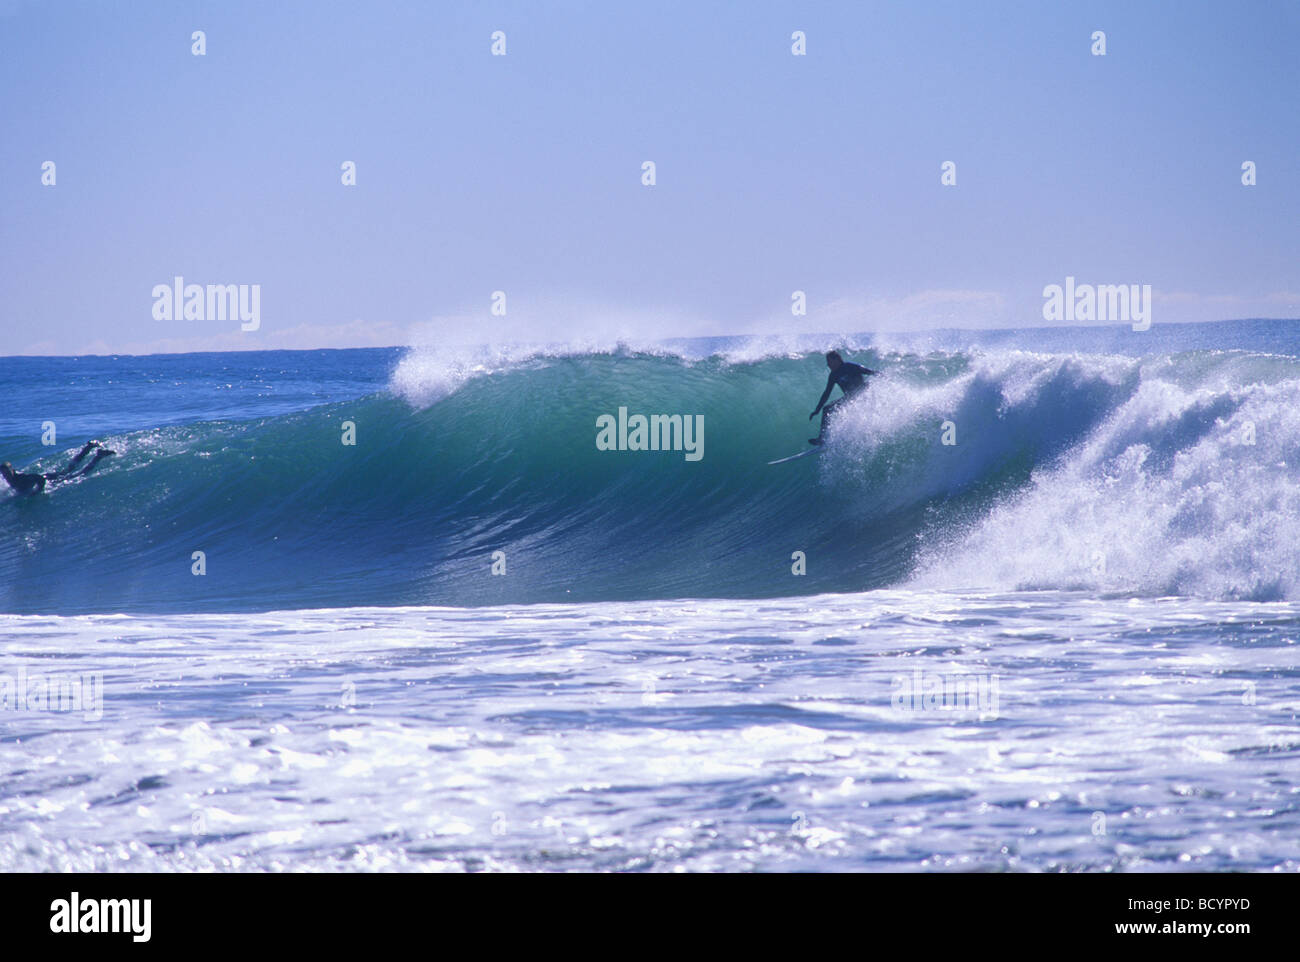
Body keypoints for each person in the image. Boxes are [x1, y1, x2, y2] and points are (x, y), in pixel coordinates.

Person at [808, 351, 878, 445]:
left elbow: (870, 372)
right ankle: (822, 439)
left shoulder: (850, 366)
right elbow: (826, 393)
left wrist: (884, 378)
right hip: (850, 398)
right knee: (827, 409)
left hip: (863, 395)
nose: (828, 365)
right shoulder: (833, 375)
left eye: (829, 361)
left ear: (836, 359)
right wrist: (817, 410)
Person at [1, 440, 115, 495]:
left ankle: (98, 456)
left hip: (49, 479)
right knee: (70, 468)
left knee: (80, 474)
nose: (6, 475)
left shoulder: (21, 478)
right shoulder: (10, 479)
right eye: (3, 473)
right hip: (48, 476)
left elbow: (38, 478)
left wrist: (38, 491)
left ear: (13, 471)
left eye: (7, 472)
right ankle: (89, 447)